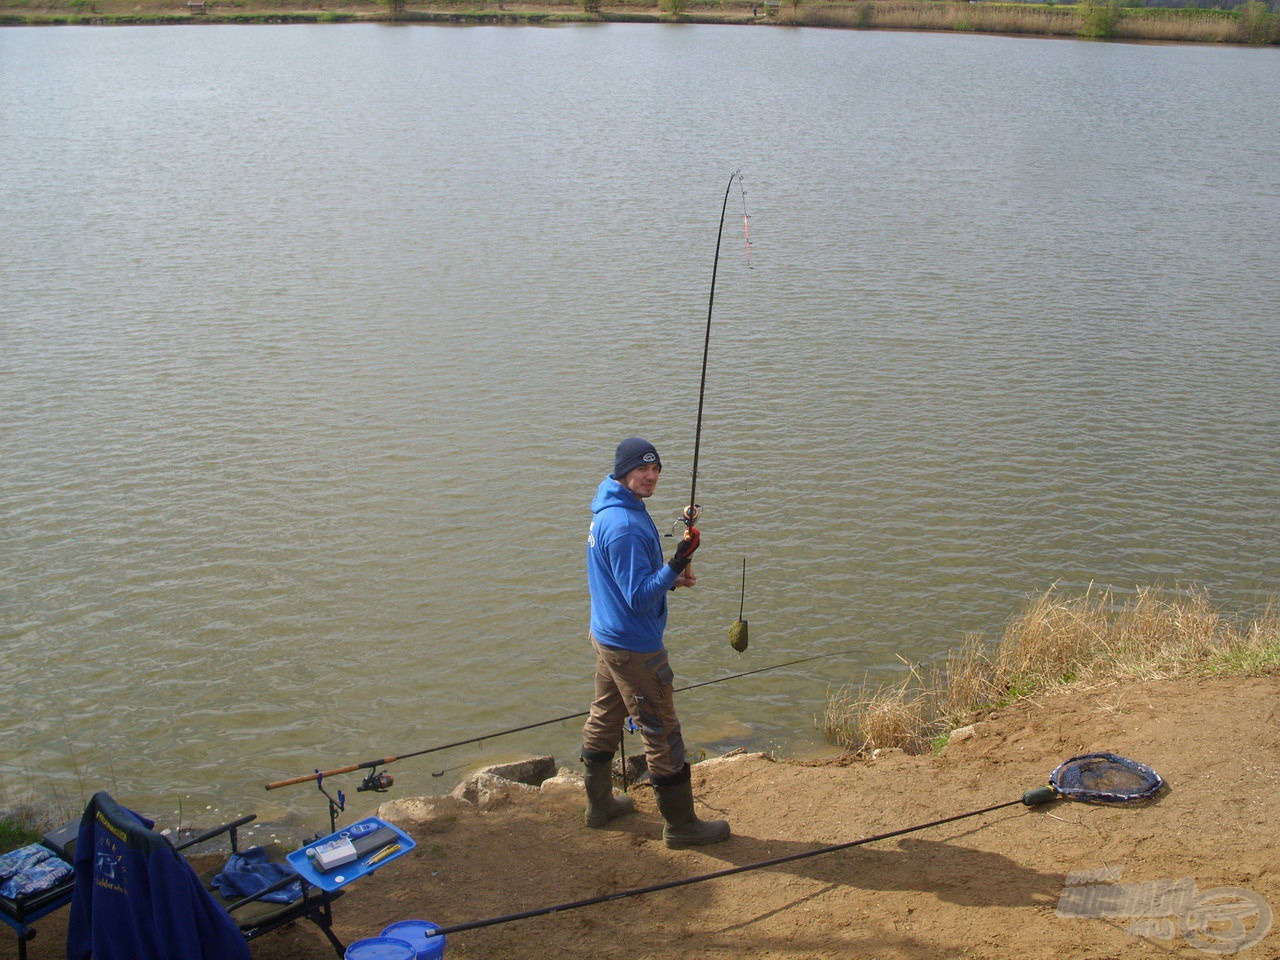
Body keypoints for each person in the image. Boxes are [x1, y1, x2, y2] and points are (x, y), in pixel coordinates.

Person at [579, 437, 730, 848]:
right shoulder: (625, 526)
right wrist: (677, 562)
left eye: (656, 469)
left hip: (607, 635)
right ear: (623, 471)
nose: (651, 477)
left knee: (606, 716)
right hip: (635, 648)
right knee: (661, 731)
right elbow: (638, 596)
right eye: (642, 470)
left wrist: (671, 580)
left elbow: (627, 581)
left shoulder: (612, 509)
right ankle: (681, 827)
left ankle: (599, 806)